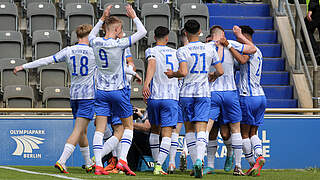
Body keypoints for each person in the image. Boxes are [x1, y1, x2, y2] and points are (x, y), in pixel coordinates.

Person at [13, 24, 96, 174]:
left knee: (82, 130)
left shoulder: (69, 50)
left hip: (74, 96)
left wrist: (24, 66)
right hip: (88, 96)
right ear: (89, 36)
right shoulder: (94, 52)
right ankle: (62, 161)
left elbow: (45, 60)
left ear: (77, 36)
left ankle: (88, 162)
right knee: (78, 130)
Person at [88, 4, 147, 176]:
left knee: (99, 129)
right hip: (118, 90)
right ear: (116, 29)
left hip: (101, 91)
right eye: (120, 29)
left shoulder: (96, 42)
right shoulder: (119, 44)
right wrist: (134, 16)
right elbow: (142, 32)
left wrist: (102, 17)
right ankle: (122, 160)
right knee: (128, 127)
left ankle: (98, 164)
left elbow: (92, 34)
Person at [165, 19, 224, 178]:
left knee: (189, 129)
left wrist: (172, 74)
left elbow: (183, 72)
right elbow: (220, 70)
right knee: (202, 129)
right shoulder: (209, 49)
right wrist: (213, 75)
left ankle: (195, 162)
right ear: (200, 32)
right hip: (203, 93)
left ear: (185, 33)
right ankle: (199, 160)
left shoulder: (182, 51)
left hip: (186, 93)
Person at [206, 25, 257, 176]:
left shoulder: (206, 47)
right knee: (230, 131)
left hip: (213, 93)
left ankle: (206, 163)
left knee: (210, 129)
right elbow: (252, 49)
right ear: (223, 35)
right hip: (229, 93)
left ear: (211, 35)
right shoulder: (230, 44)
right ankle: (237, 166)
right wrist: (239, 36)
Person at [221, 25, 266, 176]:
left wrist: (229, 46)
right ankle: (258, 156)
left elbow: (242, 59)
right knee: (254, 132)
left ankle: (254, 161)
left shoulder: (248, 51)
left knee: (244, 133)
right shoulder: (258, 51)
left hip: (248, 96)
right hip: (260, 96)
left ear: (244, 37)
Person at [142, 26, 180, 175]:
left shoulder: (151, 50)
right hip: (170, 97)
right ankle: (159, 165)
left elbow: (151, 64)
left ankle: (157, 165)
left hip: (155, 97)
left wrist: (146, 84)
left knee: (155, 130)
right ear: (167, 37)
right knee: (167, 133)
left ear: (154, 37)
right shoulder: (176, 52)